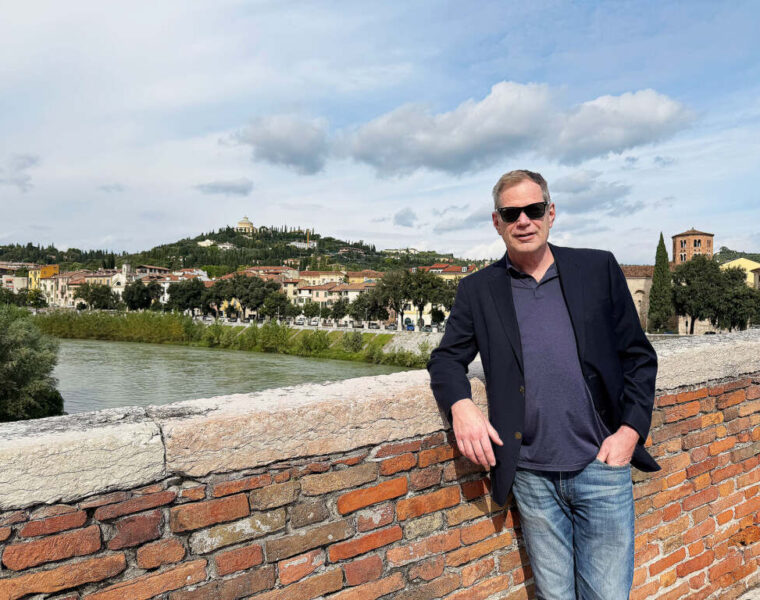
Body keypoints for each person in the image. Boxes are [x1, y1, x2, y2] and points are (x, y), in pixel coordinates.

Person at [427, 170, 659, 600]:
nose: (523, 221)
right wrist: (461, 405)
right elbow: (445, 359)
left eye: (533, 210)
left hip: (602, 464)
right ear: (496, 222)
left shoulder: (597, 268)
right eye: (510, 213)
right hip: (531, 475)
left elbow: (639, 357)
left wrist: (630, 432)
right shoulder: (478, 290)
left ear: (551, 213)